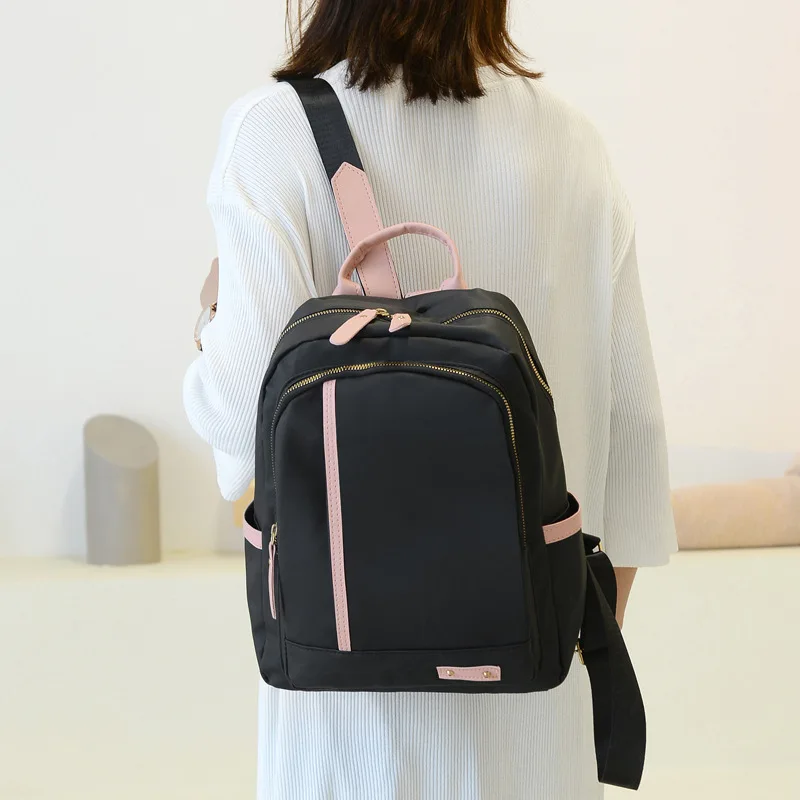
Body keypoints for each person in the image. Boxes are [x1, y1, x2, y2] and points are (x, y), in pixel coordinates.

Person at [184, 0, 677, 796]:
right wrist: (565, 646)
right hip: (537, 723)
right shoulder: (572, 144)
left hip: (348, 726)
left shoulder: (272, 132)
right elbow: (635, 432)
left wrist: (209, 322)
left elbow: (242, 428)